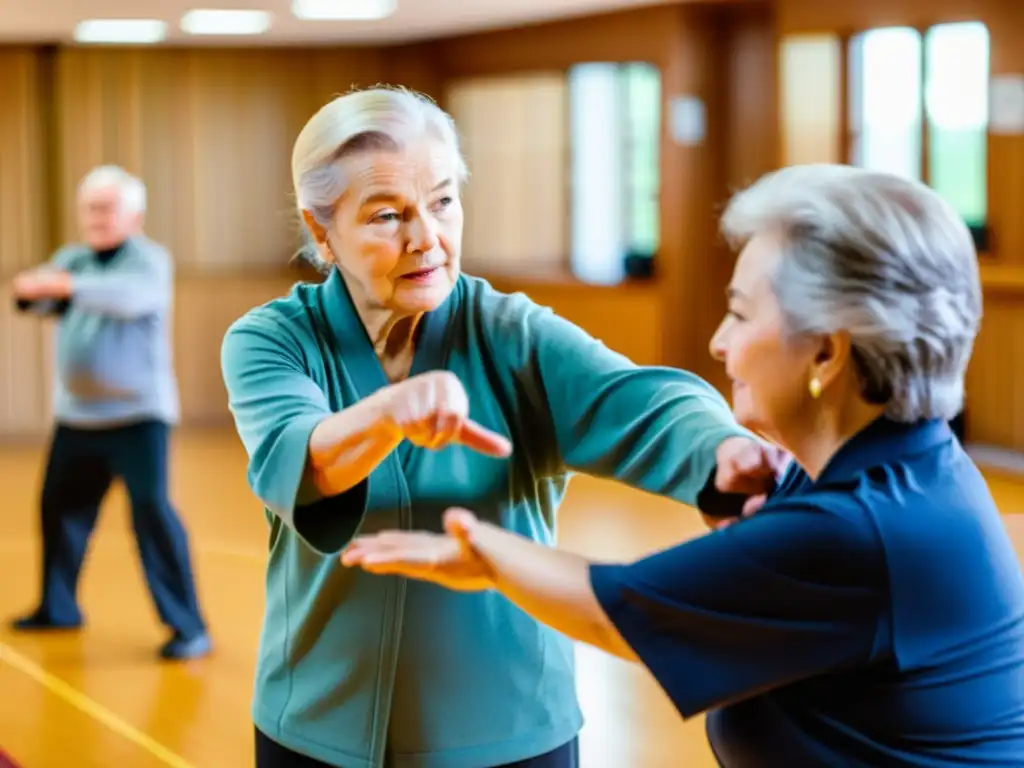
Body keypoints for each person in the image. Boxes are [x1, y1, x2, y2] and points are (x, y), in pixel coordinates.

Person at [344, 164, 1024, 766]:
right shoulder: (913, 472)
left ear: (826, 354)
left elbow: (614, 613)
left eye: (739, 313)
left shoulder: (859, 529)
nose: (719, 342)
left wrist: (488, 551)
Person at [219, 86, 782, 768]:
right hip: (314, 724)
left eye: (444, 201)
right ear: (321, 231)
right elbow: (298, 460)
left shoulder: (510, 334)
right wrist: (387, 413)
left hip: (511, 727)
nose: (426, 238)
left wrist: (721, 449)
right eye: (388, 215)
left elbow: (638, 399)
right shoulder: (273, 340)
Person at [9, 165, 211, 661]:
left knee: (153, 515)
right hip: (77, 418)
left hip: (139, 418)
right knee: (59, 511)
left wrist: (59, 285)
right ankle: (58, 608)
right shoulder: (72, 260)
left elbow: (129, 298)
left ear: (134, 216)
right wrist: (28, 291)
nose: (95, 217)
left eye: (106, 208)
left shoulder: (149, 261)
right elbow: (39, 304)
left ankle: (188, 628)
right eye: (89, 208)